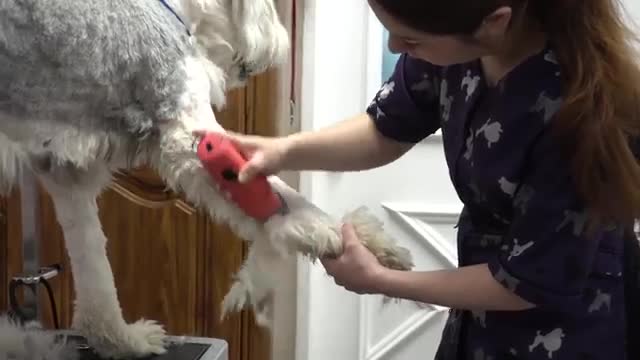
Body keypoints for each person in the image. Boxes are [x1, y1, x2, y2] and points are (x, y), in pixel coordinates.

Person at [200, 0, 640, 358]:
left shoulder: (579, 116)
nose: (396, 45)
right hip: (480, 316)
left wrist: (379, 280)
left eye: (410, 39)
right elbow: (387, 127)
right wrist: (285, 150)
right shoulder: (456, 48)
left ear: (495, 23)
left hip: (567, 330)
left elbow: (525, 281)